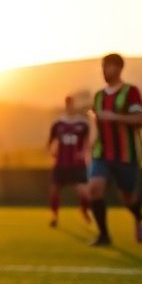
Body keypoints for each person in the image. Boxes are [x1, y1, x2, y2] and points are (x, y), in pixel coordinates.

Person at [87, 53, 142, 247]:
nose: (104, 70)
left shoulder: (131, 92)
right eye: (102, 66)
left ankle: (138, 218)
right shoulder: (98, 96)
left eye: (108, 66)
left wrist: (114, 117)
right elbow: (97, 124)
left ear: (119, 68)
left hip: (125, 154)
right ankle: (104, 235)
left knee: (128, 197)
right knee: (94, 188)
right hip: (101, 153)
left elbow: (141, 120)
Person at [47, 95, 92, 228]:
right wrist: (52, 152)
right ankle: (54, 217)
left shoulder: (83, 124)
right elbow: (50, 143)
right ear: (65, 105)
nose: (70, 106)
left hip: (77, 165)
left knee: (83, 192)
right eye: (68, 104)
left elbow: (87, 143)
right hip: (61, 164)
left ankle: (84, 210)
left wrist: (83, 153)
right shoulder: (57, 124)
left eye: (72, 104)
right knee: (54, 190)